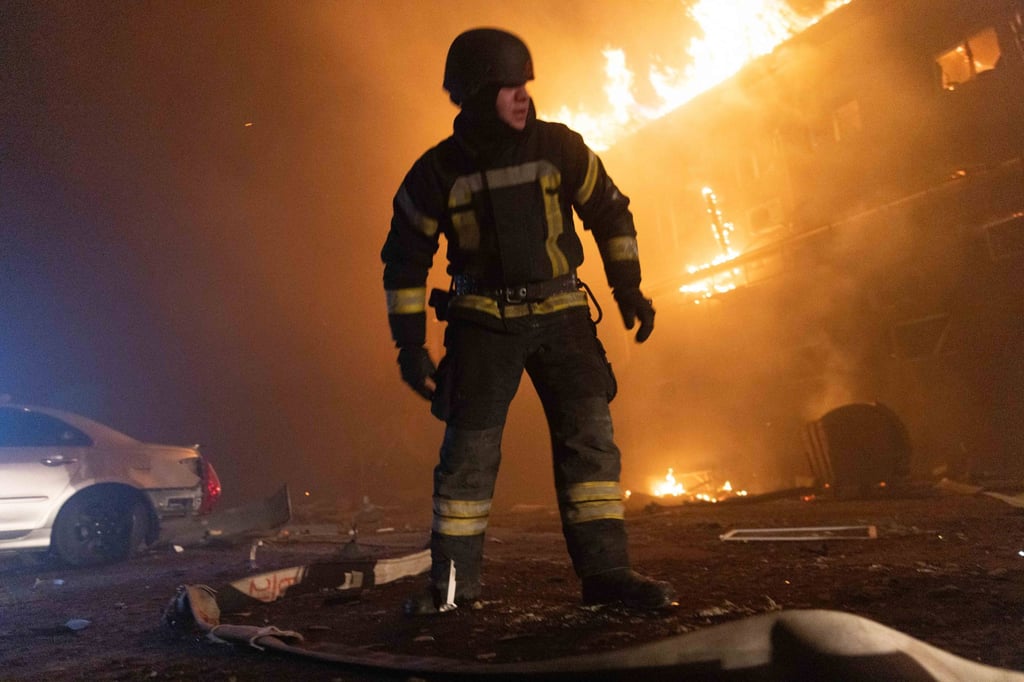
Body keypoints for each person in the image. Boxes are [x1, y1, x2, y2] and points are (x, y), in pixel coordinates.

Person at [381, 27, 675, 616]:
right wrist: (409, 346)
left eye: (525, 84)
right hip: (483, 327)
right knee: (468, 459)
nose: (523, 96)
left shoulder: (559, 147)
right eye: (508, 86)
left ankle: (607, 575)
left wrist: (628, 287)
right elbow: (405, 261)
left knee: (590, 445)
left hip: (564, 318)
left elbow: (610, 212)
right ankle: (452, 591)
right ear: (473, 94)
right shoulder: (436, 172)